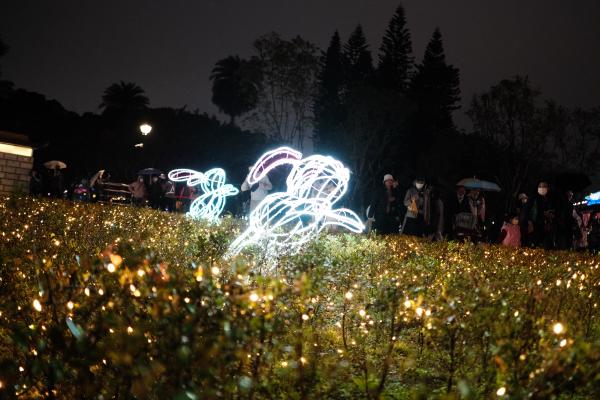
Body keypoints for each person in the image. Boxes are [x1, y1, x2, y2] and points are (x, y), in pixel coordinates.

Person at [520, 181, 556, 249]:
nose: (542, 188)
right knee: (534, 245)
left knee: (546, 246)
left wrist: (550, 215)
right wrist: (529, 222)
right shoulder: (533, 197)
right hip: (535, 225)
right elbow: (526, 211)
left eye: (544, 186)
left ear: (548, 188)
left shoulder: (549, 199)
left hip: (546, 226)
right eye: (540, 186)